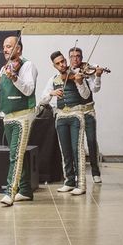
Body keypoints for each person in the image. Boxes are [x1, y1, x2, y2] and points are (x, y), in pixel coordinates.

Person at [0, 36, 38, 206]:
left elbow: (29, 89)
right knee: (18, 154)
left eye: (9, 46)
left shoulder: (28, 65)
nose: (6, 50)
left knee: (15, 155)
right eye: (4, 47)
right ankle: (25, 191)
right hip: (8, 116)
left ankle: (10, 191)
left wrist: (15, 77)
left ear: (19, 49)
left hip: (23, 115)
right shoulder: (4, 69)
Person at [40, 51, 91, 196]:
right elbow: (42, 99)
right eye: (58, 63)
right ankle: (68, 181)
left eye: (63, 61)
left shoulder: (77, 74)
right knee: (65, 151)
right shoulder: (53, 79)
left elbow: (86, 95)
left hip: (76, 115)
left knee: (77, 150)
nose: (62, 65)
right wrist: (51, 94)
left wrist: (79, 82)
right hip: (61, 116)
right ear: (54, 65)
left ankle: (81, 183)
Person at [69, 46, 105, 183]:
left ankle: (96, 172)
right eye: (72, 56)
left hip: (88, 110)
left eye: (78, 56)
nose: (75, 59)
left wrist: (97, 76)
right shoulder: (67, 72)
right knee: (76, 144)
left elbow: (95, 89)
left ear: (82, 58)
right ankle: (78, 172)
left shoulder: (88, 71)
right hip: (74, 112)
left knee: (91, 141)